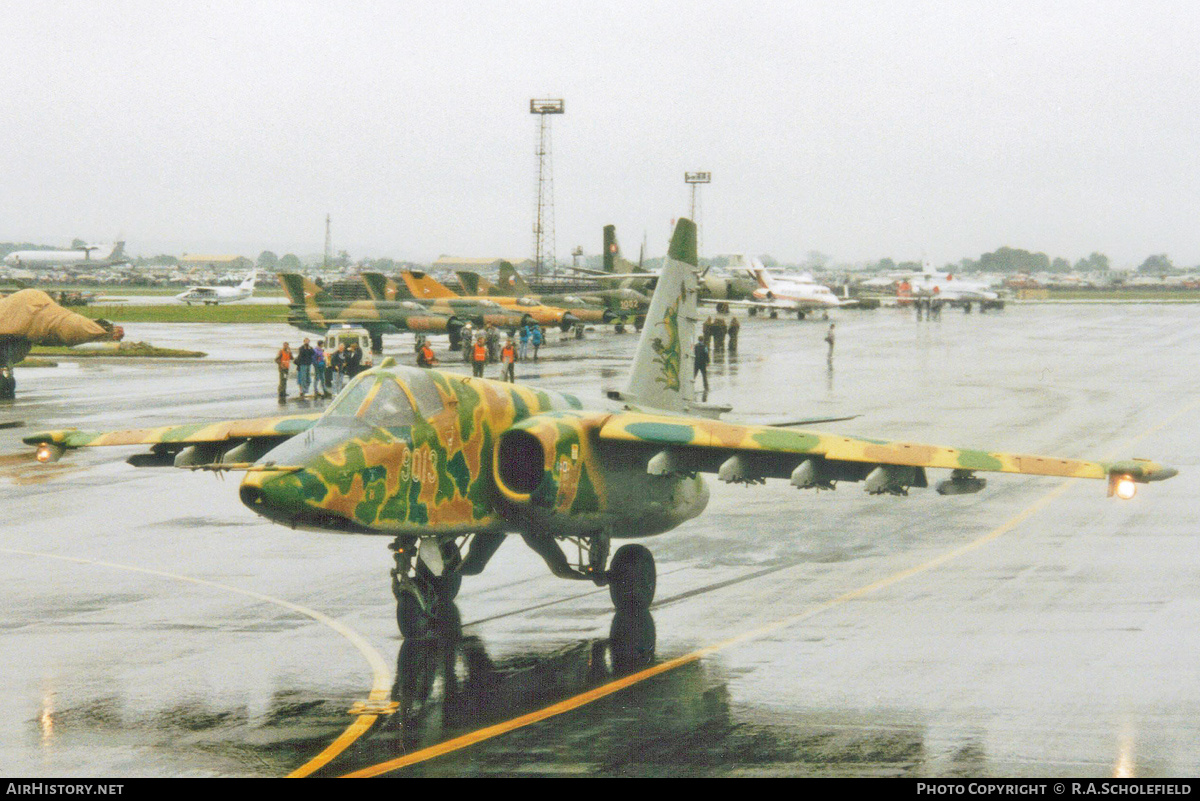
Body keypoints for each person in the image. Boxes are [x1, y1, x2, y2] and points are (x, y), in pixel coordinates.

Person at [693, 336, 710, 401]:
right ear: (703, 340)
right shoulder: (705, 347)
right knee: (704, 375)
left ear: (698, 340)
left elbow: (693, 353)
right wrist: (708, 361)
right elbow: (706, 354)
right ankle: (706, 387)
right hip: (703, 363)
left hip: (696, 363)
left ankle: (690, 386)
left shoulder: (695, 346)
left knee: (694, 375)